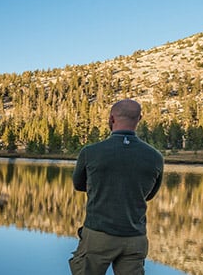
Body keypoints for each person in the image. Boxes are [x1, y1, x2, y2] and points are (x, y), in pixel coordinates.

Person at [69, 99, 164, 275]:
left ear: (112, 119)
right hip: (135, 238)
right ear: (139, 119)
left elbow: (78, 185)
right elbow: (149, 195)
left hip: (98, 234)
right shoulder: (155, 157)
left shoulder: (90, 152)